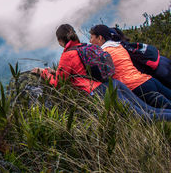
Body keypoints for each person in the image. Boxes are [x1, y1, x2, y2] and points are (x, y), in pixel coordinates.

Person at [31, 24, 171, 121]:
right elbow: (76, 72)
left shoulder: (67, 55)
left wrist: (43, 73)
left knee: (143, 116)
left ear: (60, 40)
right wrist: (55, 71)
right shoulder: (83, 47)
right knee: (149, 110)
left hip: (100, 91)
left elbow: (58, 84)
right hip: (114, 83)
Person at [90, 24, 171, 109]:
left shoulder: (104, 53)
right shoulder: (119, 46)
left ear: (100, 38)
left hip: (136, 87)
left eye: (92, 37)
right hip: (148, 80)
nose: (90, 41)